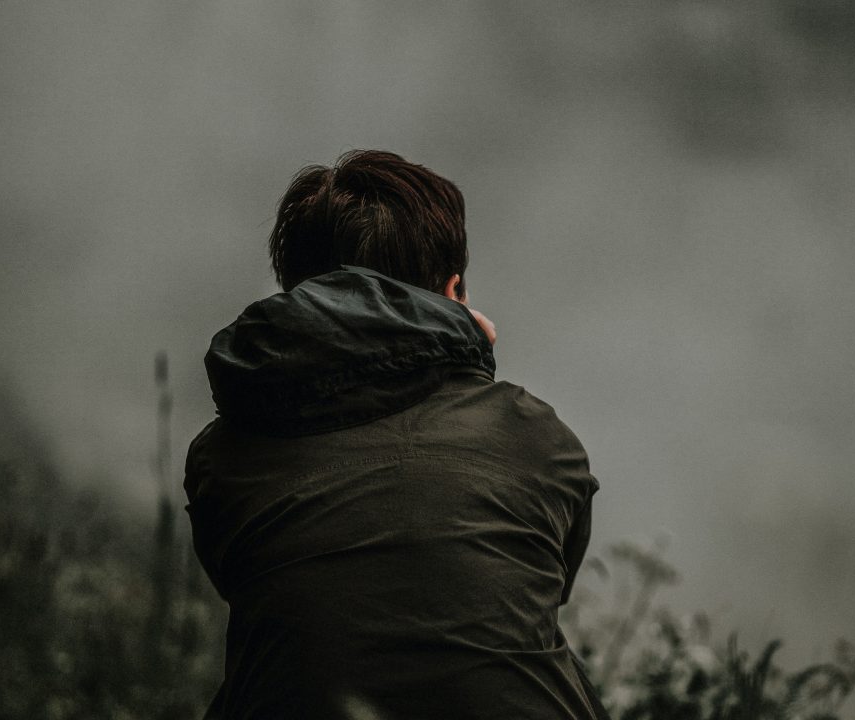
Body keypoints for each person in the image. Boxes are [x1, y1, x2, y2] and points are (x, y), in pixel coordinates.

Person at [184, 150, 607, 719]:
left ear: (300, 296)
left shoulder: (220, 459)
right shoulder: (538, 440)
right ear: (455, 291)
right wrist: (468, 360)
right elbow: (541, 588)